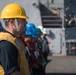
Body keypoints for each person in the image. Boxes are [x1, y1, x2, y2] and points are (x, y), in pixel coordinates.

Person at [0, 3, 31, 75]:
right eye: (23, 19)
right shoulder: (6, 45)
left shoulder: (16, 40)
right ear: (12, 22)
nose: (26, 22)